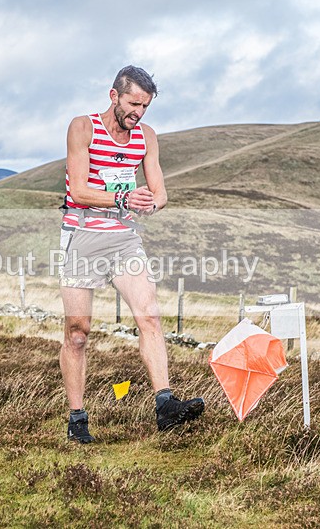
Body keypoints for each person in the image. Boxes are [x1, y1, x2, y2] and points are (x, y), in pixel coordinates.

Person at [59, 65, 204, 443]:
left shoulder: (146, 137)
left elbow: (160, 194)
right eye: (133, 103)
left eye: (145, 106)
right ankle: (78, 420)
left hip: (124, 237)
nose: (138, 112)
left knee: (149, 314)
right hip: (83, 234)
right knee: (78, 333)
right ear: (114, 96)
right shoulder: (83, 127)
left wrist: (148, 204)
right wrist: (123, 196)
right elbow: (76, 190)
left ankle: (166, 405)